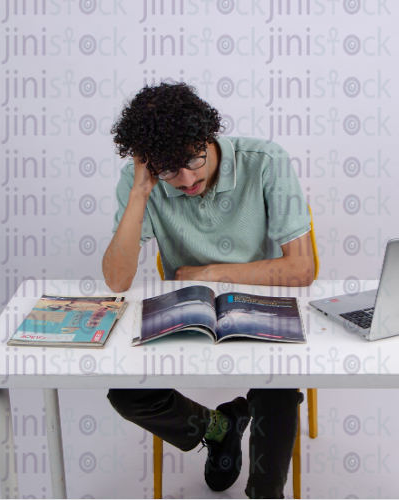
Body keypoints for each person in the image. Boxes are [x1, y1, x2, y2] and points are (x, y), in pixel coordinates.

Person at [102, 82, 315, 498]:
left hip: (262, 302)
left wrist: (213, 271)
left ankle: (263, 494)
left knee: (278, 390)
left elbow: (301, 268)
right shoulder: (140, 181)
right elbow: (116, 280)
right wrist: (142, 190)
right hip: (192, 311)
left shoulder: (266, 161)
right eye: (167, 169)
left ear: (208, 137)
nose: (185, 179)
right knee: (128, 393)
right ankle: (220, 429)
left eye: (193, 159)